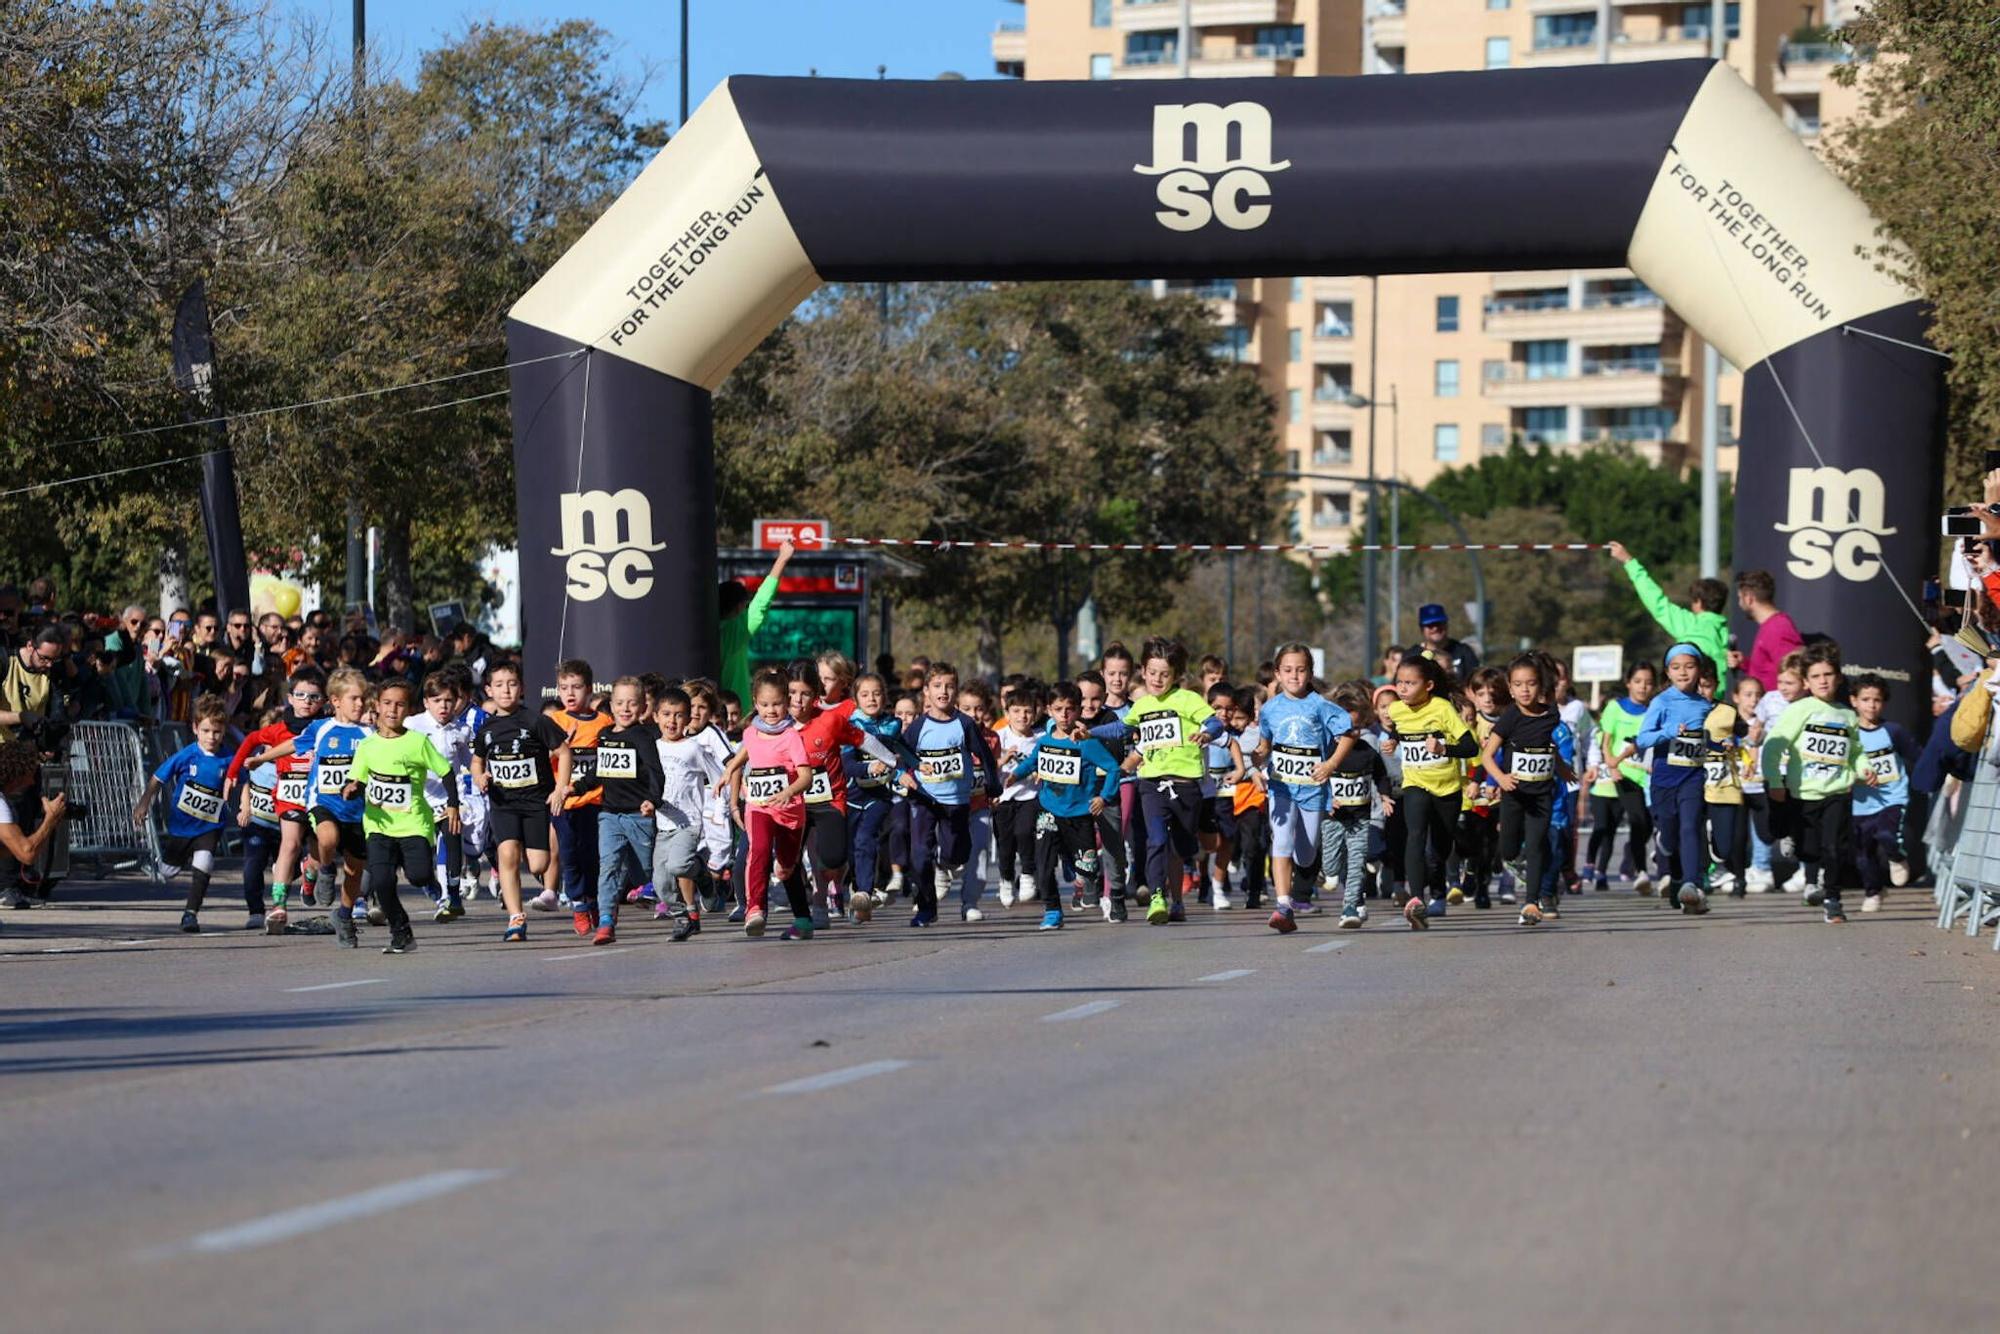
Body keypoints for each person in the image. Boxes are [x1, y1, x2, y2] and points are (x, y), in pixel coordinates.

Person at [1117, 637, 1244, 926]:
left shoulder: (1189, 700)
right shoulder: (1141, 705)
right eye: (1152, 672)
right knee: (1157, 840)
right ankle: (1158, 896)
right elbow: (1121, 731)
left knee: (1181, 847)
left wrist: (1208, 734)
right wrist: (1091, 735)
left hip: (1189, 787)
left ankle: (1177, 901)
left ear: (1176, 675)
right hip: (1152, 783)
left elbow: (1214, 724)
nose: (1158, 679)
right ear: (1143, 671)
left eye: (1165, 673)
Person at [342, 678, 457, 954]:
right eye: (387, 704)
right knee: (382, 882)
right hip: (379, 826)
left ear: (409, 710)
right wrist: (353, 787)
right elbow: (356, 778)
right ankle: (401, 932)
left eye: (400, 704)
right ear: (377, 706)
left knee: (417, 876)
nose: (393, 710)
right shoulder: (368, 746)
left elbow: (446, 772)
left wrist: (453, 804)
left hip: (413, 823)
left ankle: (429, 881)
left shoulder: (417, 743)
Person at [1761, 642, 1873, 924]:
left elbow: (1856, 750)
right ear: (1807, 683)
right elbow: (1773, 747)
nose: (1823, 681)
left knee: (1833, 848)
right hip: (1803, 793)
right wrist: (1775, 780)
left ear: (1837, 677)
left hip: (1837, 791)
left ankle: (1833, 900)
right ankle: (1794, 842)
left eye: (1828, 674)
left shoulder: (1848, 714)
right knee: (1808, 850)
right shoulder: (1800, 710)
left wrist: (1864, 768)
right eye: (1816, 676)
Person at [1248, 642, 1350, 934]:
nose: (1294, 676)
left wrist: (1330, 765)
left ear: (1310, 672)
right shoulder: (1270, 709)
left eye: (1301, 670)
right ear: (1277, 674)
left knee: (1305, 854)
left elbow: (1348, 734)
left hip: (1312, 790)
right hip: (1281, 788)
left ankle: (1307, 869)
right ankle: (1283, 906)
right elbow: (1266, 744)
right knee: (1280, 841)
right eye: (1288, 670)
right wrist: (1259, 757)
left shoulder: (1320, 705)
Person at [1005, 680, 1122, 932]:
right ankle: (1052, 910)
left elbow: (1113, 768)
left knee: (1087, 869)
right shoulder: (1046, 741)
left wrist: (1104, 797)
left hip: (1079, 814)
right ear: (1048, 710)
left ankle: (1079, 867)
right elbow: (1033, 762)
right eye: (1058, 709)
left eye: (1070, 709)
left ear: (1078, 711)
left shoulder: (1086, 742)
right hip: (1048, 810)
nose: (1064, 715)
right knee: (1043, 864)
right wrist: (1015, 775)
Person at [471, 662, 572, 942]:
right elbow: (477, 761)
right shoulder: (487, 727)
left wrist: (560, 787)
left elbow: (564, 753)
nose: (506, 689)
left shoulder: (536, 721)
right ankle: (515, 917)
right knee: (507, 854)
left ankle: (546, 881)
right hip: (503, 802)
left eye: (512, 683)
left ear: (522, 688)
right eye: (499, 684)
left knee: (538, 864)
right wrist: (480, 777)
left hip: (535, 802)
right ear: (489, 690)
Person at [895, 662, 1002, 927]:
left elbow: (985, 756)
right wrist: (904, 773)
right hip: (924, 798)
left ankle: (944, 864)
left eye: (949, 686)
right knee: (920, 856)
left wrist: (992, 784)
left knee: (957, 854)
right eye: (937, 686)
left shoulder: (964, 724)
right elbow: (902, 754)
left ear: (956, 690)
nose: (943, 691)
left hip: (956, 801)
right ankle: (926, 908)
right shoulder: (919, 726)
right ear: (927, 692)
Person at [1382, 649, 1477, 929]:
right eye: (1399, 682)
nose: (1402, 688)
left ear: (1429, 686)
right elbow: (1403, 730)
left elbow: (1470, 746)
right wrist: (1394, 742)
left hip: (1447, 789)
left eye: (1410, 683)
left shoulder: (1442, 708)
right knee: (1415, 834)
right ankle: (1416, 900)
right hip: (1415, 783)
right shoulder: (1397, 709)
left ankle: (1438, 893)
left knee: (1439, 848)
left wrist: (1443, 747)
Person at [226, 669, 325, 930]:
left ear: (324, 701)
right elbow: (250, 740)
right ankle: (278, 905)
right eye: (301, 695)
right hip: (290, 795)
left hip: (319, 797)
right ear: (290, 698)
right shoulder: (278, 730)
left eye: (314, 697)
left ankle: (309, 871)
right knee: (289, 845)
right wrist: (233, 773)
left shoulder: (327, 727)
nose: (307, 701)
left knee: (322, 850)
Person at [1483, 654, 1574, 927]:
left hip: (1541, 796)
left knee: (1535, 846)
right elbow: (1488, 755)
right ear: (1510, 689)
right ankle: (1519, 863)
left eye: (1531, 684)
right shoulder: (1510, 717)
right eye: (1519, 684)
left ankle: (1531, 902)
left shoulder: (1550, 714)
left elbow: (1548, 746)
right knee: (1508, 849)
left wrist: (1562, 768)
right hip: (1514, 794)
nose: (1525, 690)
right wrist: (1500, 778)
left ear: (1540, 686)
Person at [723, 669, 815, 939]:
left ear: (786, 702)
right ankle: (755, 910)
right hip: (759, 806)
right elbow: (746, 751)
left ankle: (803, 922)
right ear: (755, 702)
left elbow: (806, 776)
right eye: (764, 705)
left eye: (776, 704)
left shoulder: (791, 736)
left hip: (789, 810)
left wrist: (789, 790)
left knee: (787, 868)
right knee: (759, 850)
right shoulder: (751, 732)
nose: (771, 710)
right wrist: (729, 771)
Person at [134, 695, 234, 933]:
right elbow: (158, 778)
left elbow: (240, 780)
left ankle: (190, 914)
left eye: (217, 732)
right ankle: (164, 861)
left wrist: (245, 804)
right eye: (206, 730)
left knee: (205, 862)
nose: (211, 737)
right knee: (168, 870)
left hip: (210, 825)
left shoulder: (228, 757)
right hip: (181, 825)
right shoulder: (187, 755)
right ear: (195, 729)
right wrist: (143, 803)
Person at [579, 677, 664, 945]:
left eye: (632, 704)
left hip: (639, 815)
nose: (625, 709)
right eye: (619, 703)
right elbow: (599, 772)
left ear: (642, 708)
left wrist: (653, 800)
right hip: (610, 814)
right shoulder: (604, 735)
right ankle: (606, 920)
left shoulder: (643, 737)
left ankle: (684, 892)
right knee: (609, 866)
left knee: (650, 868)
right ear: (610, 706)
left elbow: (655, 772)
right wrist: (575, 787)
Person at [1632, 644, 1716, 912]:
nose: (1683, 673)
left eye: (1689, 666)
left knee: (1690, 826)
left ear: (1699, 671)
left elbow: (1702, 740)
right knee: (1669, 831)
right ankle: (1664, 844)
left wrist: (1717, 746)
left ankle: (1692, 884)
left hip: (1692, 775)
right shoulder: (1661, 702)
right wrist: (1667, 732)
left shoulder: (1704, 705)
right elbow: (1643, 739)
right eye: (1676, 667)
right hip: (1664, 779)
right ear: (1668, 672)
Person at [1604, 542, 1728, 691]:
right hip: (1724, 702)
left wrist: (1628, 561)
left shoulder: (1690, 624)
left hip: (1694, 699)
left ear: (1698, 602)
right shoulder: (1728, 633)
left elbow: (1656, 601)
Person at [654, 686, 724, 940]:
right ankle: (683, 917)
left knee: (678, 865)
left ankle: (702, 875)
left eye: (679, 715)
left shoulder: (692, 748)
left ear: (687, 719)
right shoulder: (652, 748)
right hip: (663, 824)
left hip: (689, 822)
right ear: (656, 717)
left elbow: (719, 775)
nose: (672, 721)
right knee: (661, 884)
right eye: (666, 714)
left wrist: (724, 802)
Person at [1323, 681, 1393, 929]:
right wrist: (1326, 799)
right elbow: (1314, 779)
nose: (1349, 735)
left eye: (1354, 728)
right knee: (1330, 865)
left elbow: (1380, 774)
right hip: (1333, 818)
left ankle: (1351, 906)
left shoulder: (1367, 750)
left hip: (1360, 818)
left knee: (1357, 862)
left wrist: (1384, 796)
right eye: (1343, 728)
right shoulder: (1327, 751)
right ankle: (1332, 874)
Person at [550, 659, 611, 930]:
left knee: (592, 854)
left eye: (576, 687)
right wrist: (562, 745)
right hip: (563, 802)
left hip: (594, 799)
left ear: (589, 689)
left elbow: (608, 760)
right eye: (564, 688)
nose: (570, 693)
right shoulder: (554, 720)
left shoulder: (603, 721)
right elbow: (541, 757)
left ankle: (593, 899)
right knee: (569, 853)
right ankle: (577, 903)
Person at [1849, 673, 1918, 913]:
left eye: (1876, 700)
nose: (1871, 705)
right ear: (1854, 701)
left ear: (1884, 702)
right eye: (1865, 699)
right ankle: (1874, 891)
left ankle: (1897, 857)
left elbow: (1916, 756)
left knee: (1887, 835)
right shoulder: (1849, 733)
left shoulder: (1893, 731)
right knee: (1863, 854)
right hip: (1860, 803)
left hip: (1892, 797)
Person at [1587, 661, 1656, 893]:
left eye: (1648, 683)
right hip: (1623, 773)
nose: (1643, 687)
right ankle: (1642, 872)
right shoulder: (1615, 708)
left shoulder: (1656, 709)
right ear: (1628, 683)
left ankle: (1632, 854)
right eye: (1638, 682)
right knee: (1637, 819)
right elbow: (1605, 741)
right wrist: (1611, 764)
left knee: (1647, 825)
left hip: (1647, 776)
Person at [718, 540, 793, 712]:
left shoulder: (701, 628)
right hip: (736, 713)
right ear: (738, 608)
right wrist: (782, 558)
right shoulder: (736, 630)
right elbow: (762, 602)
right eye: (745, 607)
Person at [1737, 568, 1804, 692]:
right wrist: (1744, 663)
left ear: (1749, 599)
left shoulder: (1778, 627)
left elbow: (1793, 674)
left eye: (1740, 598)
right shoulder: (1771, 626)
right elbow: (1768, 670)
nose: (1739, 603)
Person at [1415, 604, 1479, 682]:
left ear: (1446, 624)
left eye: (1439, 623)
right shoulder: (1413, 655)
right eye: (1430, 625)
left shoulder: (1463, 652)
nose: (1435, 628)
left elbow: (1476, 682)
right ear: (1421, 628)